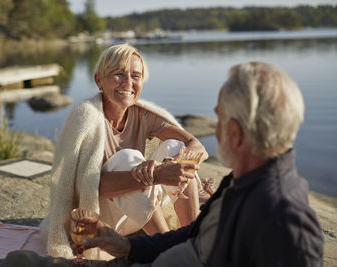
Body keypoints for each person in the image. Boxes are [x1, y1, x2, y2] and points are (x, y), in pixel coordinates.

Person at [79, 61, 325, 266]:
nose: (215, 131)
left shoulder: (286, 219)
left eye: (218, 120)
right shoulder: (242, 183)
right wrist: (127, 245)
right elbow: (195, 234)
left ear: (235, 134)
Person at [39, 43, 208, 259]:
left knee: (176, 147)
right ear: (99, 80)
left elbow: (196, 146)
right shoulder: (86, 117)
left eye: (135, 76)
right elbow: (83, 188)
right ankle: (170, 252)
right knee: (128, 158)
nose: (128, 83)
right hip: (100, 219)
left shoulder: (142, 115)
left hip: (137, 212)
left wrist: (170, 164)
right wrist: (154, 175)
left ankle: (192, 236)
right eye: (119, 74)